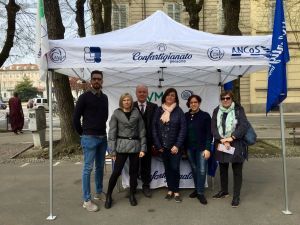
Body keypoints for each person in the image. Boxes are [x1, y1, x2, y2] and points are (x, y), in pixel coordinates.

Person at [73, 70, 108, 212]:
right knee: (88, 169)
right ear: (90, 80)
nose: (96, 81)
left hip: (102, 137)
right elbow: (75, 118)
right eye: (94, 79)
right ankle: (87, 200)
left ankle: (99, 192)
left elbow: (104, 116)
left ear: (102, 81)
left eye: (99, 79)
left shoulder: (104, 97)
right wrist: (83, 133)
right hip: (89, 138)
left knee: (100, 167)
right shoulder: (84, 97)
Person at [105, 93, 146, 209]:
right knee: (116, 172)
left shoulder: (136, 113)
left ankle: (132, 194)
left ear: (131, 101)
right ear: (121, 102)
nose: (127, 102)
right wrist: (112, 151)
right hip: (121, 146)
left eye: (128, 100)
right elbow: (112, 133)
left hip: (135, 146)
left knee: (133, 172)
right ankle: (108, 195)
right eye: (124, 100)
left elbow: (142, 131)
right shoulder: (116, 114)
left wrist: (143, 148)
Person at [211, 90, 249, 208]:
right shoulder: (216, 110)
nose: (225, 100)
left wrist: (231, 138)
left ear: (231, 99)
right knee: (223, 169)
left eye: (227, 98)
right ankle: (224, 191)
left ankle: (236, 196)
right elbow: (213, 128)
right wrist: (221, 139)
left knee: (237, 171)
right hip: (222, 143)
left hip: (236, 144)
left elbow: (243, 126)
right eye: (223, 98)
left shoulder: (238, 110)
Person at [152, 88, 186, 203]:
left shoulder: (179, 111)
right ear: (165, 97)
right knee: (167, 169)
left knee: (175, 168)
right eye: (168, 95)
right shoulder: (159, 110)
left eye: (173, 95)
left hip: (175, 148)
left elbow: (183, 129)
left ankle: (176, 191)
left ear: (175, 98)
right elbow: (154, 128)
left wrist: (177, 145)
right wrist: (158, 145)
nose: (170, 97)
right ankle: (170, 190)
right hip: (163, 147)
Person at [185, 95, 212, 205]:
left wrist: (207, 148)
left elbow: (209, 134)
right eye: (191, 102)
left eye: (195, 102)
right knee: (194, 169)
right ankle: (197, 189)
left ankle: (200, 193)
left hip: (201, 148)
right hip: (189, 148)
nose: (193, 104)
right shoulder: (185, 116)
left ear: (199, 103)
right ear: (189, 104)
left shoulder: (205, 116)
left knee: (201, 170)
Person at [133, 84, 158, 197]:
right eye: (140, 92)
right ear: (136, 93)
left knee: (146, 164)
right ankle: (132, 186)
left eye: (144, 92)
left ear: (147, 93)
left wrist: (154, 142)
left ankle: (146, 185)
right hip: (133, 142)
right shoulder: (131, 106)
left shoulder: (154, 106)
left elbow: (157, 125)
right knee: (134, 164)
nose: (142, 94)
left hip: (148, 142)